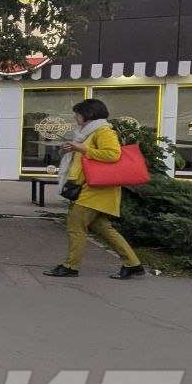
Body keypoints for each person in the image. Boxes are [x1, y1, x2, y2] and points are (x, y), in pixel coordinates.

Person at [43, 99, 145, 280]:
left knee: (75, 226)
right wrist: (69, 150)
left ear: (88, 114)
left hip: (95, 189)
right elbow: (81, 156)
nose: (75, 117)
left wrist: (82, 148)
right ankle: (133, 264)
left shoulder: (104, 131)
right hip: (91, 188)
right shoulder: (86, 133)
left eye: (77, 114)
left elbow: (112, 154)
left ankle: (70, 266)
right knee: (103, 227)